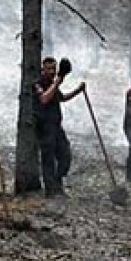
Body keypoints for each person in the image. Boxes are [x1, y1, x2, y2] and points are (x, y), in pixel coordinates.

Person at [33, 56, 86, 197]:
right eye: (48, 69)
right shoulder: (37, 83)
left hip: (56, 126)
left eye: (53, 69)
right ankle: (51, 191)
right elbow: (44, 99)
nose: (51, 72)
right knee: (48, 159)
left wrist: (78, 91)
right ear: (42, 69)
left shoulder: (52, 83)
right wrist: (57, 82)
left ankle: (57, 182)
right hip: (44, 127)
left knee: (65, 156)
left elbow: (61, 98)